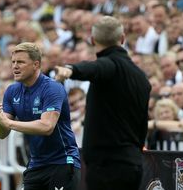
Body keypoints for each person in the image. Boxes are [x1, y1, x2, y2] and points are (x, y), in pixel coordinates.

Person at [55, 16, 151, 190]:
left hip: (107, 166)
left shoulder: (108, 66)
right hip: (133, 164)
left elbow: (97, 68)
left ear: (92, 40)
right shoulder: (141, 77)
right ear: (122, 39)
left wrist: (71, 69)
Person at [0, 42, 80, 190]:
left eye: (21, 62)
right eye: (13, 62)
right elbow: (1, 133)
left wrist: (9, 123)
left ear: (36, 65)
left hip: (62, 162)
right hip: (35, 164)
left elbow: (46, 127)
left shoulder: (52, 88)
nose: (15, 66)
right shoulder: (12, 91)